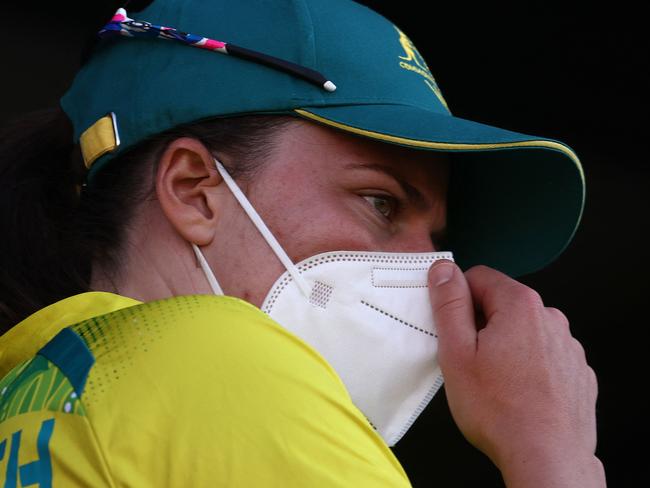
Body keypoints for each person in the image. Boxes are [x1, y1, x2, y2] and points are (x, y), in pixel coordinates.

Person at [0, 0, 605, 486]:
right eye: (381, 202)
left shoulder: (33, 398)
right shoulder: (222, 367)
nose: (432, 271)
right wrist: (553, 455)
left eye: (442, 241)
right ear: (194, 191)